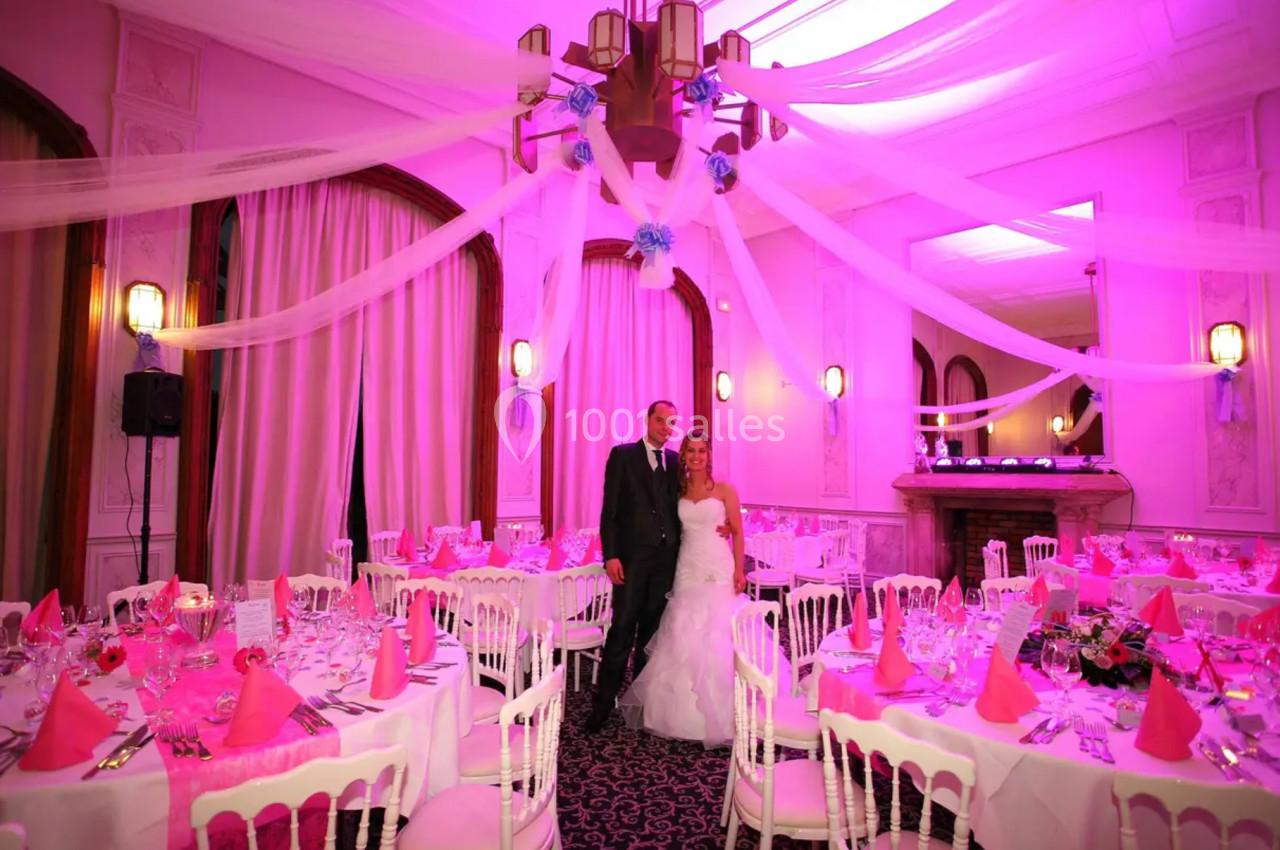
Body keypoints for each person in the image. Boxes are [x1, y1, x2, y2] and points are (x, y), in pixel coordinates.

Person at [618, 428, 748, 747]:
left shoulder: (725, 491)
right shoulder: (674, 491)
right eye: (691, 451)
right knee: (681, 631)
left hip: (718, 567)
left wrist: (740, 570)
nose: (696, 457)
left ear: (709, 456)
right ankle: (676, 716)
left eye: (702, 451)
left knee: (718, 633)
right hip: (687, 567)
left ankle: (727, 714)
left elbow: (740, 533)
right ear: (684, 456)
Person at [588, 400, 685, 734]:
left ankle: (640, 704)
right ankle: (602, 706)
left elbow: (685, 505)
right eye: (660, 420)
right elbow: (610, 511)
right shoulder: (623, 456)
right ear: (647, 421)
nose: (664, 427)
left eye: (670, 422)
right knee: (622, 631)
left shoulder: (675, 461)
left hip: (666, 561)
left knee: (651, 635)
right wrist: (611, 555)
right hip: (631, 561)